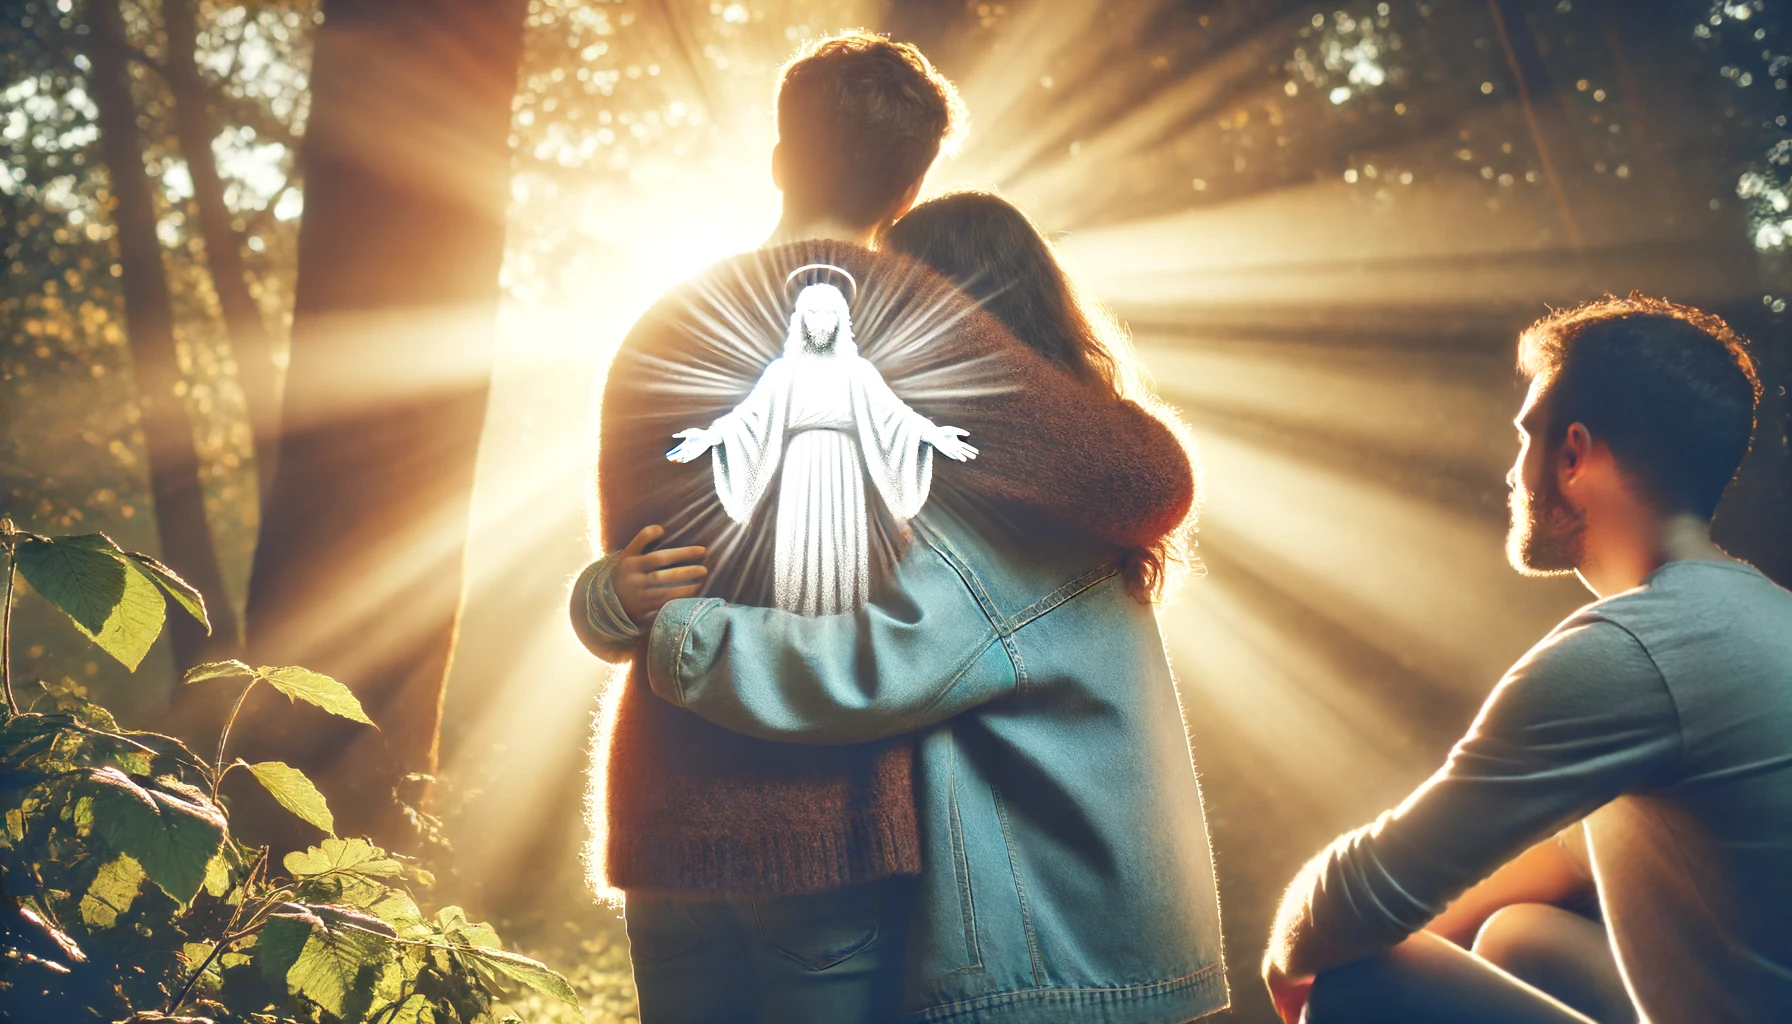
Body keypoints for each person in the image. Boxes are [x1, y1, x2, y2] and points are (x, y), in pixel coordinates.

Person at [572, 35, 1209, 1024]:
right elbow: (1149, 483)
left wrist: (610, 598)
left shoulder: (659, 324)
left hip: (661, 824)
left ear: (780, 154)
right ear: (911, 188)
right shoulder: (907, 316)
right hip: (829, 844)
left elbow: (629, 599)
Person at [1260, 296, 1791, 1024]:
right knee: (1520, 936)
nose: (1512, 474)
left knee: (1356, 976)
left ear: (1573, 455)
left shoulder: (1633, 651)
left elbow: (1355, 899)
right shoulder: (1758, 615)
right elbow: (1572, 857)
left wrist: (1294, 960)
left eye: (1526, 439)